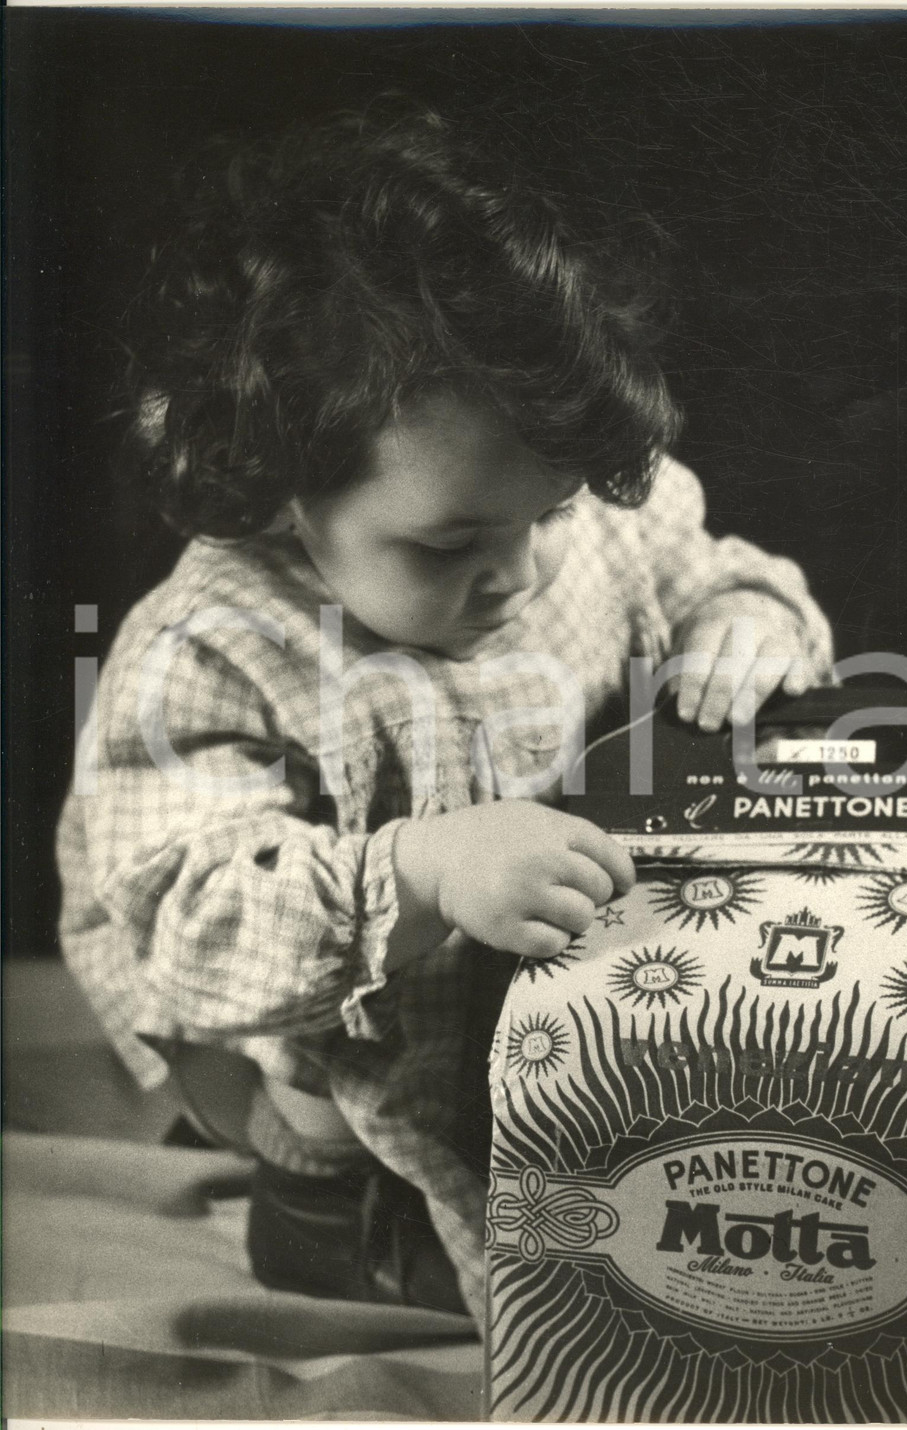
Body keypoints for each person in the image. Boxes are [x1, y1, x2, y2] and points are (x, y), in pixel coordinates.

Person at [57, 101, 833, 1329]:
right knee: (336, 1071)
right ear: (280, 487)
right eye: (452, 542)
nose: (519, 573)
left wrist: (737, 615)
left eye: (548, 513)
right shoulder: (215, 643)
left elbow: (687, 559)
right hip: (345, 1011)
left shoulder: (558, 508)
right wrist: (415, 871)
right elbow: (192, 917)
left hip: (555, 972)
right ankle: (321, 1202)